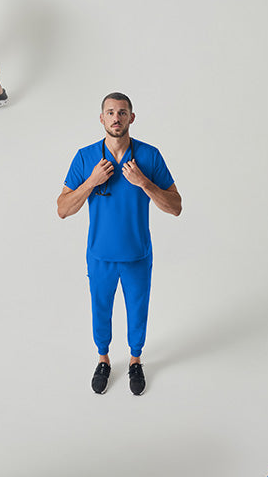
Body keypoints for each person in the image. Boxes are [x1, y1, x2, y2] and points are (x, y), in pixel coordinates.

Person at [57, 92, 182, 395]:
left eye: (122, 112)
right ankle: (103, 359)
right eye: (111, 112)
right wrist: (91, 182)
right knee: (100, 310)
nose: (116, 118)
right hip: (100, 255)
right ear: (102, 118)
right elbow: (63, 209)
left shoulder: (149, 156)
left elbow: (176, 206)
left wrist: (144, 182)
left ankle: (135, 360)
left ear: (131, 118)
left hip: (137, 254)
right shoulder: (85, 157)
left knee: (138, 310)